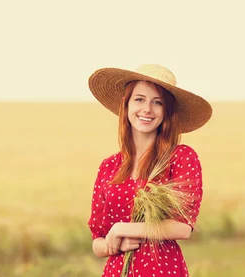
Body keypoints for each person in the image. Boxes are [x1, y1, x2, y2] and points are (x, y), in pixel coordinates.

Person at [87, 64, 212, 276]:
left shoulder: (180, 157)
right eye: (139, 99)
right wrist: (115, 244)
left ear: (167, 112)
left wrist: (121, 229)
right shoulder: (108, 166)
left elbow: (182, 227)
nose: (147, 109)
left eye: (158, 102)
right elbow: (98, 241)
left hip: (162, 270)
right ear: (126, 106)